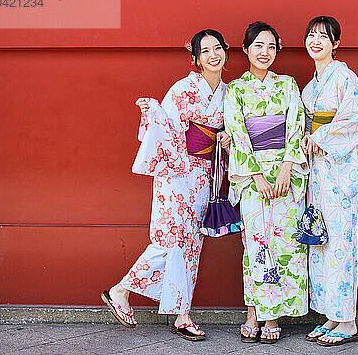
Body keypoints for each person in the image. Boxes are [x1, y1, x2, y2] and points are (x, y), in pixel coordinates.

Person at [101, 29, 231, 341]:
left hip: (205, 175)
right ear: (195, 59)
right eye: (206, 51)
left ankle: (181, 313)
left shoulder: (230, 92)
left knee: (190, 245)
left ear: (226, 51)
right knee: (170, 239)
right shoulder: (183, 89)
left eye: (218, 49)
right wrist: (153, 114)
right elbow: (166, 131)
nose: (213, 55)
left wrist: (227, 137)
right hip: (176, 173)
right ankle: (122, 291)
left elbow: (233, 129)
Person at [224, 21, 309, 344]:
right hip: (252, 177)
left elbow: (295, 127)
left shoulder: (287, 85)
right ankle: (255, 313)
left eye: (271, 46)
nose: (265, 52)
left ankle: (269, 313)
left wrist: (287, 167)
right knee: (256, 245)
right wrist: (256, 175)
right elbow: (238, 133)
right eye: (258, 46)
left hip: (286, 175)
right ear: (245, 49)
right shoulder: (236, 90)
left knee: (285, 246)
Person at [300, 16, 358, 346]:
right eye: (311, 35)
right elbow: (305, 124)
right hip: (317, 172)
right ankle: (332, 314)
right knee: (322, 242)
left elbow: (357, 120)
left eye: (323, 36)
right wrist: (305, 139)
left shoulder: (345, 77)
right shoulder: (311, 85)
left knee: (342, 243)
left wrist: (322, 137)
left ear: (336, 44)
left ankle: (348, 321)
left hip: (339, 170)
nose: (316, 41)